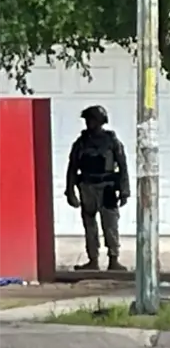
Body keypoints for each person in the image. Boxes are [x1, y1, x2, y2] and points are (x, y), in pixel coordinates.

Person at [65, 106, 130, 271]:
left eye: (93, 120)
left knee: (110, 224)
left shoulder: (112, 142)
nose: (89, 123)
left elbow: (123, 166)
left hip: (107, 188)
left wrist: (124, 191)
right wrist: (70, 191)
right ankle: (92, 259)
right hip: (87, 188)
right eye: (88, 120)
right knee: (90, 225)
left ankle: (113, 258)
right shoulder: (81, 143)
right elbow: (72, 168)